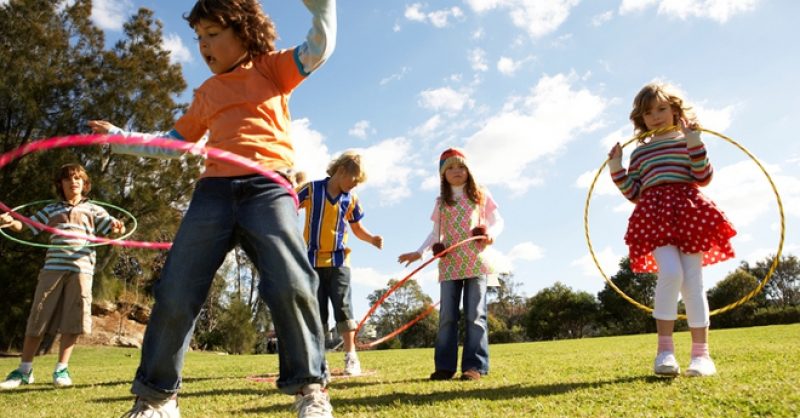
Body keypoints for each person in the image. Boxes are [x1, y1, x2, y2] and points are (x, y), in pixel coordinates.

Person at [88, 0, 337, 416]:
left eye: (213, 34)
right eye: (198, 37)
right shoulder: (206, 92)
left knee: (292, 280)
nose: (203, 46)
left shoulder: (270, 68)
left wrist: (323, 9)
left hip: (268, 186)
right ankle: (156, 398)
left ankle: (310, 389)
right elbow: (171, 145)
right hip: (213, 192)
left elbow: (318, 48)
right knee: (176, 289)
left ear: (244, 31)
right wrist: (117, 136)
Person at [607, 82, 736, 377]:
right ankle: (664, 352)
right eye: (648, 113)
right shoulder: (640, 153)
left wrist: (694, 142)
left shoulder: (687, 141)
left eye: (662, 109)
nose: (656, 116)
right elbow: (634, 192)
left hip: (689, 213)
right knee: (671, 272)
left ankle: (701, 356)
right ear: (641, 119)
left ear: (676, 110)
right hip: (654, 214)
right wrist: (617, 166)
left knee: (693, 281)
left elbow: (703, 176)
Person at [0, 163, 125, 390]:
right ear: (61, 184)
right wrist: (10, 222)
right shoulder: (51, 209)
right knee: (38, 315)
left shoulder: (94, 209)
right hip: (53, 269)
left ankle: (61, 369)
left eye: (78, 178)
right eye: (68, 179)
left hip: (82, 270)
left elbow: (114, 228)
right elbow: (25, 226)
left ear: (84, 184)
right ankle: (24, 370)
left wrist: (118, 227)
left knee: (73, 320)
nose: (73, 182)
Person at [398, 148, 503, 381]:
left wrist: (489, 233)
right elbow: (435, 233)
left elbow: (498, 220)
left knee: (475, 315)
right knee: (447, 316)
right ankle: (445, 367)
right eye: (450, 168)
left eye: (461, 167)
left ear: (469, 170)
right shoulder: (441, 202)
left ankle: (474, 367)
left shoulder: (480, 194)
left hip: (476, 261)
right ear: (442, 175)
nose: (457, 171)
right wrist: (420, 252)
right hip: (450, 263)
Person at [297, 151, 383, 376]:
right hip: (312, 260)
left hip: (339, 260)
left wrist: (372, 238)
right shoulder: (311, 189)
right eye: (354, 181)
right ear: (342, 170)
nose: (354, 187)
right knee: (317, 310)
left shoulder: (351, 199)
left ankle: (351, 356)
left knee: (343, 307)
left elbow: (356, 228)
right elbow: (289, 204)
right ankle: (318, 359)